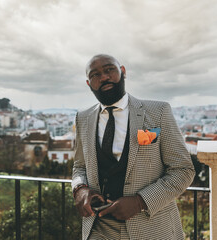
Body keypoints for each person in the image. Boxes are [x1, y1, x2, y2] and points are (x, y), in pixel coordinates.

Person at [72, 54, 195, 240]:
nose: (104, 77)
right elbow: (79, 166)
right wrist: (80, 188)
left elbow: (183, 170)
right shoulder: (83, 118)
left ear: (122, 72)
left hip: (150, 228)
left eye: (109, 70)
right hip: (98, 228)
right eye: (95, 74)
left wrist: (140, 202)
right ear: (89, 84)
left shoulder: (158, 112)